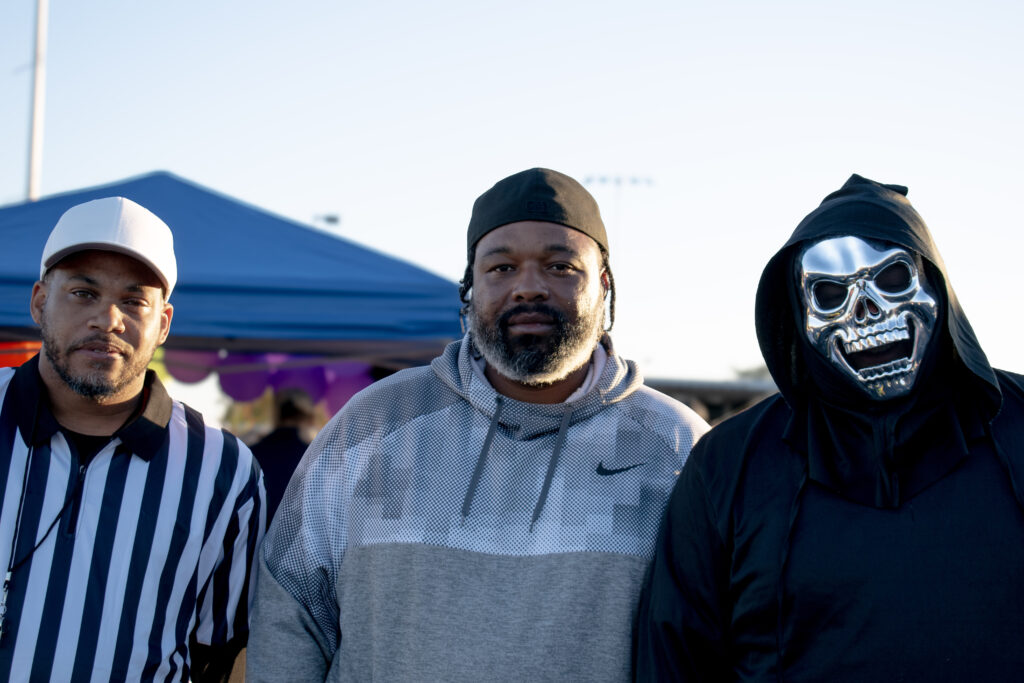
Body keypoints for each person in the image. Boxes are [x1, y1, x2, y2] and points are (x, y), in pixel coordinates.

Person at [248, 168, 709, 682]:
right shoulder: (371, 427)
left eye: (560, 267)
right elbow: (289, 609)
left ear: (603, 287)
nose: (528, 288)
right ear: (470, 287)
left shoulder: (676, 449)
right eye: (502, 268)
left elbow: (713, 640)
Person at [636, 174, 1024, 681]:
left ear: (937, 287)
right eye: (830, 294)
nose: (866, 312)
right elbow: (674, 657)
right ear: (796, 315)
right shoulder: (729, 464)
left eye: (891, 280)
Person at [0, 197, 265, 682]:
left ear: (162, 323)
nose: (108, 320)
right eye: (83, 293)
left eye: (133, 301)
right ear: (39, 301)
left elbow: (228, 653)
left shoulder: (223, 470)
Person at [250, 388, 318, 523]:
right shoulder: (312, 456)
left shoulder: (251, 453)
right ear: (307, 418)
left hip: (254, 538)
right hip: (295, 539)